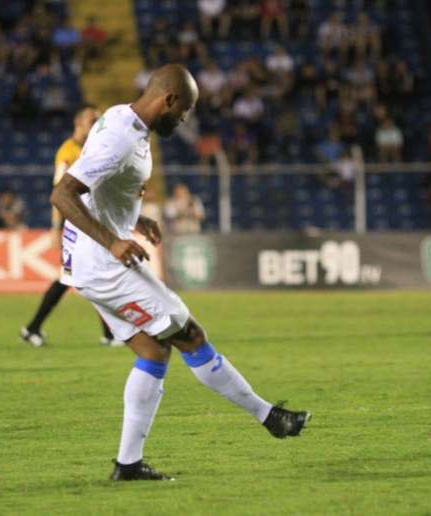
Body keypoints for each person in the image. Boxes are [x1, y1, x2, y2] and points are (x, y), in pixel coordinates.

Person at [50, 64, 310, 481]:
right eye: (185, 110)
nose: (186, 119)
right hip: (102, 263)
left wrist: (134, 224)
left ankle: (128, 465)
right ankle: (269, 417)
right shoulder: (120, 134)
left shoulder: (123, 118)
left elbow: (105, 189)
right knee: (192, 335)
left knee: (154, 353)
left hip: (92, 260)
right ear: (168, 99)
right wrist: (114, 241)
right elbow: (63, 194)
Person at [20, 105, 125, 347]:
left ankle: (33, 328)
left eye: (99, 119)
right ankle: (33, 328)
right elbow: (59, 191)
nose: (98, 123)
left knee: (82, 276)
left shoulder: (96, 148)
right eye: (92, 119)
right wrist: (56, 227)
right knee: (76, 277)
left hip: (91, 222)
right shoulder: (67, 152)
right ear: (79, 123)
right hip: (75, 224)